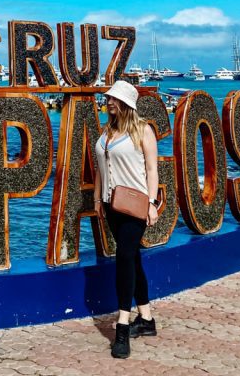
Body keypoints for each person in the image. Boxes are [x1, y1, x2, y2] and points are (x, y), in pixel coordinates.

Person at [94, 79, 159, 359]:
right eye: (109, 98)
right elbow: (99, 170)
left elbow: (152, 170)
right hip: (111, 205)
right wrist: (97, 199)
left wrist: (153, 204)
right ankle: (146, 319)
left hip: (135, 207)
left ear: (126, 104)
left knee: (123, 256)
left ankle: (122, 326)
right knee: (132, 259)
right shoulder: (107, 131)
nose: (109, 102)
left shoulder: (143, 131)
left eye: (115, 99)